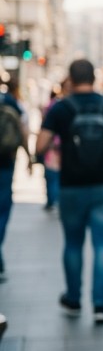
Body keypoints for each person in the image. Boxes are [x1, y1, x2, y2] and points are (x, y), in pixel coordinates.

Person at [34, 59, 103, 324]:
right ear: (95, 78)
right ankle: (100, 305)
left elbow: (40, 146)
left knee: (73, 245)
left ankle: (73, 299)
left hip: (72, 186)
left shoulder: (61, 108)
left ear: (71, 80)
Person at [0, 81, 32, 281]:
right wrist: (29, 156)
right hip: (5, 161)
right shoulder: (11, 101)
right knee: (3, 208)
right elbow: (23, 129)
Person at [41, 87, 64, 211]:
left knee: (51, 175)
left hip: (51, 146)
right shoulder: (59, 106)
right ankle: (55, 199)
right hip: (58, 146)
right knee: (57, 175)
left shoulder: (51, 107)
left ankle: (52, 200)